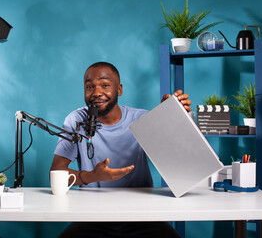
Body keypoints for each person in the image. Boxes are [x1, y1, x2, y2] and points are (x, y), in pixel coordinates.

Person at [50, 62, 192, 238]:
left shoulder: (141, 119)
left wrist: (170, 116)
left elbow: (177, 157)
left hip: (142, 215)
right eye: (89, 87)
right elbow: (57, 171)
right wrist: (92, 176)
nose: (96, 93)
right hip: (92, 216)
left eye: (105, 85)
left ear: (119, 90)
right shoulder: (76, 120)